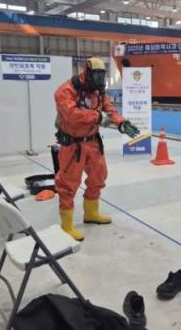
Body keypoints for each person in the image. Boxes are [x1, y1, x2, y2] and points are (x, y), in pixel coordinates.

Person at [54, 57, 139, 241]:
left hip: (93, 143)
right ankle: (66, 226)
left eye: (102, 75)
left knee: (98, 177)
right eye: (97, 75)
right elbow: (71, 115)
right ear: (87, 72)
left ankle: (91, 213)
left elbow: (109, 110)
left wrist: (121, 123)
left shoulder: (99, 91)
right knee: (68, 184)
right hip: (73, 145)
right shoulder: (65, 91)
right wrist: (97, 117)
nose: (100, 79)